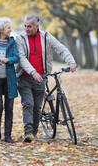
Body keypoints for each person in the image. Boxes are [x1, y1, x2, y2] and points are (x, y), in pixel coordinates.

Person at [16, 14, 77, 143]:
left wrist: (71, 61)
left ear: (37, 26)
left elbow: (60, 48)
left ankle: (34, 133)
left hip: (41, 77)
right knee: (28, 104)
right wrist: (33, 72)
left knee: (37, 107)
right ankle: (28, 133)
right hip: (25, 77)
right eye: (25, 26)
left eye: (30, 26)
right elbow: (21, 58)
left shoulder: (46, 36)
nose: (26, 29)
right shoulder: (20, 38)